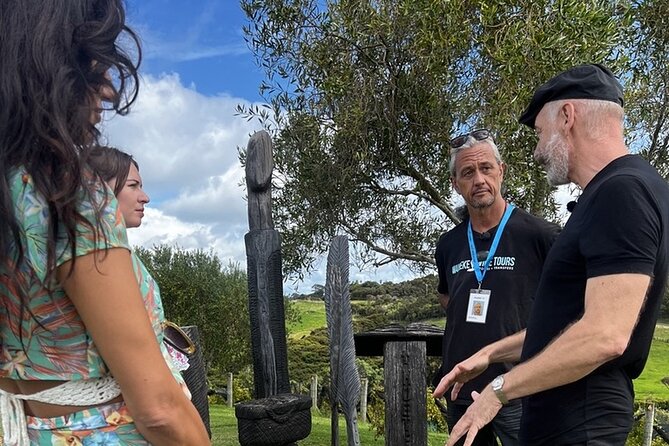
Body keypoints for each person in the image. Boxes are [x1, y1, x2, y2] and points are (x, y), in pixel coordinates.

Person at [0, 1, 210, 444]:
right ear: (52, 65)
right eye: (96, 68)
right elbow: (158, 409)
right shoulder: (65, 190)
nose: (110, 92)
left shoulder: (10, 188)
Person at [434, 63, 669, 446]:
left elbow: (604, 336)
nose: (539, 151)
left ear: (567, 115)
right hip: (562, 420)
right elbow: (563, 326)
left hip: (583, 423)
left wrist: (498, 389)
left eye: (541, 133)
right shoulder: (615, 191)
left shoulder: (622, 190)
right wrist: (491, 353)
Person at [434, 129, 560, 445]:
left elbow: (563, 310)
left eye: (486, 168)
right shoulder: (448, 245)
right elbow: (447, 298)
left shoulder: (540, 235)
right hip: (462, 384)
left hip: (520, 387)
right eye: (467, 172)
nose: (478, 179)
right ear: (455, 184)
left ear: (501, 171)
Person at [88, 145, 193, 378]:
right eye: (133, 186)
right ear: (100, 191)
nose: (144, 197)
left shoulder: (117, 251)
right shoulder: (97, 256)